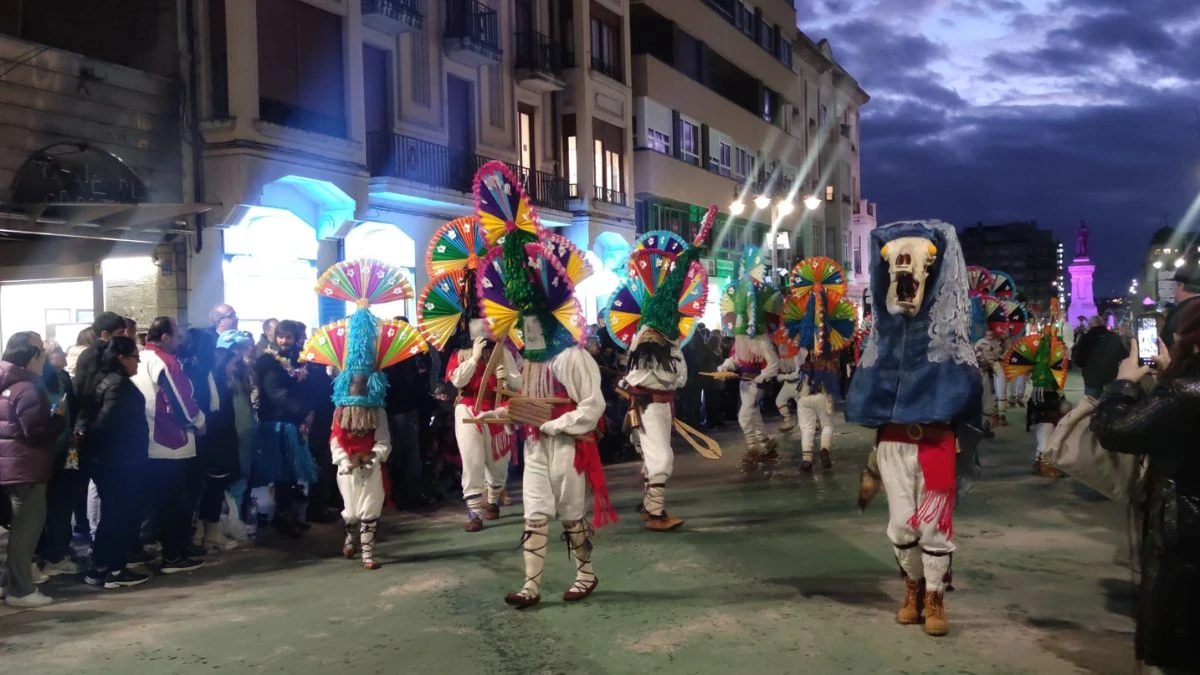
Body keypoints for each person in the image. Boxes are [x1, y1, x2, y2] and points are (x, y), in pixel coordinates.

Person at [470, 161, 614, 608]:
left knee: (571, 515)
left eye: (531, 323)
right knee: (534, 515)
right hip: (534, 446)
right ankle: (531, 586)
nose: (526, 331)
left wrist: (560, 424)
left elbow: (593, 404)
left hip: (567, 446)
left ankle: (585, 573)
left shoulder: (572, 356)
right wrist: (497, 411)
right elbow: (524, 404)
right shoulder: (526, 358)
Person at [845, 220, 982, 637]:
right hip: (893, 443)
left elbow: (970, 399)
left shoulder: (953, 343)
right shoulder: (881, 342)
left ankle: (936, 596)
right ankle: (914, 588)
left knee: (935, 526)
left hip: (936, 441)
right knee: (902, 524)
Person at [1090, 299, 1200, 674]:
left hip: (1186, 534)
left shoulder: (1185, 394)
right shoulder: (1182, 391)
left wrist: (1123, 383)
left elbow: (1116, 430)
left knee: (1182, 636)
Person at [301, 260, 419, 569]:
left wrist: (373, 457)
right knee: (351, 512)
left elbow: (383, 440)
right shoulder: (340, 411)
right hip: (347, 470)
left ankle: (368, 553)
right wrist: (344, 459)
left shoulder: (376, 410)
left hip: (369, 466)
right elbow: (334, 441)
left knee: (370, 509)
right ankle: (351, 536)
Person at [610, 206, 713, 532]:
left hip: (655, 404)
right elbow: (671, 376)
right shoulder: (654, 341)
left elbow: (674, 376)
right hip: (652, 404)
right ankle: (655, 513)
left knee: (654, 455)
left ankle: (650, 504)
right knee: (662, 459)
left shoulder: (658, 340)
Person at [132, 317, 207, 574]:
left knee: (157, 504)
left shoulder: (141, 359)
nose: (180, 341)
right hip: (171, 441)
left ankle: (165, 550)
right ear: (164, 337)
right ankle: (173, 556)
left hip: (149, 440)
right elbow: (180, 399)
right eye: (176, 336)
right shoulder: (164, 361)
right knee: (174, 504)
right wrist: (198, 420)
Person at [0, 332, 67, 607]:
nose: (44, 357)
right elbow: (36, 431)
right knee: (26, 532)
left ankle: (11, 584)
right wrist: (58, 419)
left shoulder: (8, 384)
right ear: (30, 355)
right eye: (40, 350)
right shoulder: (27, 388)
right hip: (27, 467)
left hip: (10, 466)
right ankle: (21, 590)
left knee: (16, 531)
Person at [81, 337, 152, 589]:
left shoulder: (100, 380)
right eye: (135, 356)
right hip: (119, 461)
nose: (138, 361)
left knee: (112, 515)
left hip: (107, 461)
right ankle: (115, 569)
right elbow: (105, 422)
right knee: (119, 515)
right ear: (121, 357)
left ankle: (99, 566)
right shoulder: (119, 386)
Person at [445, 319, 518, 531]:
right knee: (472, 459)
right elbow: (457, 381)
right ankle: (475, 512)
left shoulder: (503, 353)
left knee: (498, 462)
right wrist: (474, 358)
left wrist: (508, 379)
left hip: (498, 407)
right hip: (467, 408)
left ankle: (493, 498)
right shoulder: (459, 354)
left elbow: (519, 382)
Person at [252, 320, 317, 537]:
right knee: (283, 471)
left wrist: (309, 410)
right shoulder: (268, 361)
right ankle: (281, 517)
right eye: (280, 336)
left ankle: (289, 514)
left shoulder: (300, 357)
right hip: (278, 422)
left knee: (291, 473)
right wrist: (303, 411)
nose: (284, 341)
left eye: (288, 337)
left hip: (293, 420)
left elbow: (305, 386)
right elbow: (276, 392)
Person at [716, 246, 781, 462]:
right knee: (754, 414)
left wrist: (761, 378)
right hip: (745, 383)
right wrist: (725, 367)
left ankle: (753, 448)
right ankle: (765, 443)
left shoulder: (761, 340)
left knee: (744, 416)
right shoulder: (741, 338)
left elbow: (773, 363)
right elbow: (737, 358)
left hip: (755, 383)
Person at [35, 339, 83, 577]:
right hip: (53, 452)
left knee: (58, 506)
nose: (64, 356)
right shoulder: (43, 383)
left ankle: (53, 552)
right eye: (59, 352)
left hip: (60, 451)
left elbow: (71, 411)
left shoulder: (61, 379)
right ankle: (52, 554)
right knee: (55, 506)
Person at [1072, 316, 1127, 399]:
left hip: (1092, 380)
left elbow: (1078, 360)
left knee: (1090, 405)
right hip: (1111, 378)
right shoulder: (1114, 337)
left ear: (1090, 325)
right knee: (1108, 406)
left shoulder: (1085, 338)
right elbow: (1123, 357)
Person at [1162, 267, 1200, 349]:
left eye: (1173, 285)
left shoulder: (1178, 313)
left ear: (1181, 285)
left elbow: (1165, 345)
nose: (1172, 290)